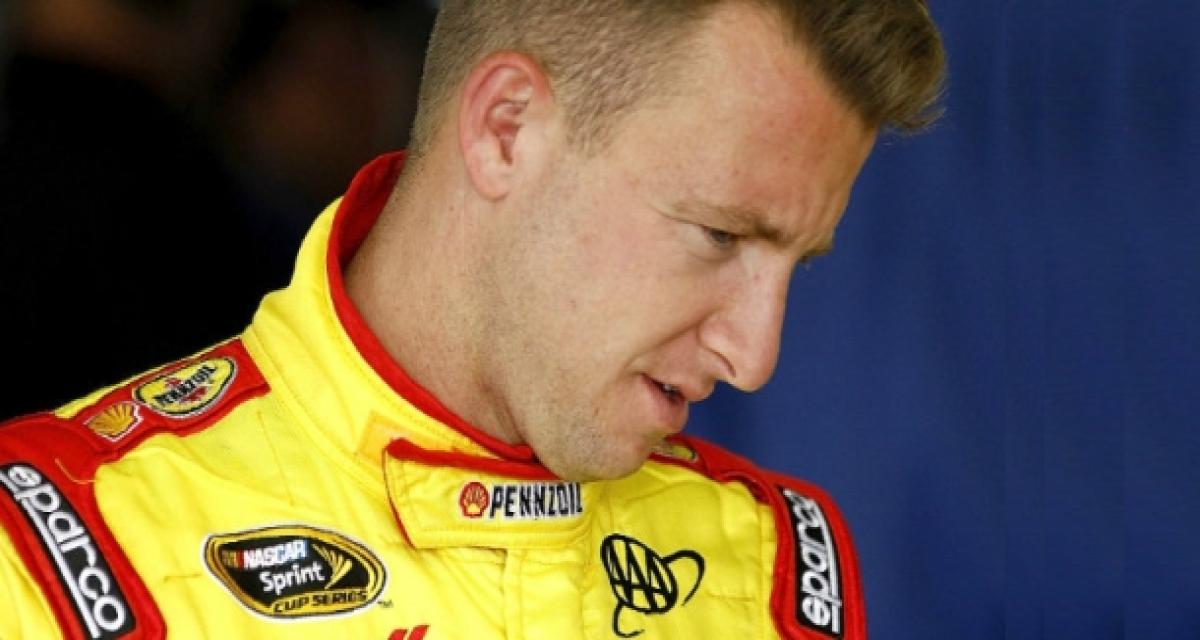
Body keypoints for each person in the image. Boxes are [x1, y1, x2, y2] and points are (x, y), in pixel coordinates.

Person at [0, 0, 944, 638]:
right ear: (506, 129)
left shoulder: (777, 565)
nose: (755, 355)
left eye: (796, 264)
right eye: (719, 234)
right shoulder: (59, 548)